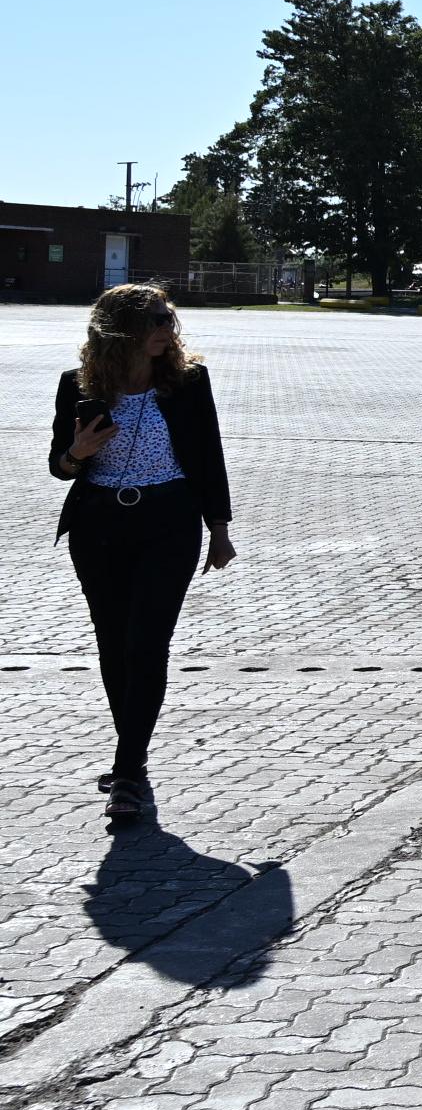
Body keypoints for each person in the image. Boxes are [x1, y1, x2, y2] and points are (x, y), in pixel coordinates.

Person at [49, 285, 237, 827]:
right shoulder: (78, 385)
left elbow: (209, 456)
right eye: (155, 320)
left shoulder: (188, 383)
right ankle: (132, 754)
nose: (166, 330)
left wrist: (218, 529)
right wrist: (77, 453)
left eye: (169, 320)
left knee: (147, 643)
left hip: (170, 522)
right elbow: (58, 468)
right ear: (119, 328)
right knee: (113, 645)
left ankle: (127, 771)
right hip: (98, 525)